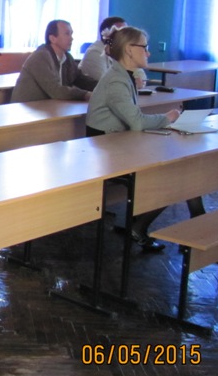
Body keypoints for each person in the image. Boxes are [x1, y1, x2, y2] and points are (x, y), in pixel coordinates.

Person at [85, 25, 204, 252]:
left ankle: (194, 225)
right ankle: (145, 227)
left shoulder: (124, 75)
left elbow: (133, 121)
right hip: (106, 153)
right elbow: (137, 123)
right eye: (145, 47)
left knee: (185, 170)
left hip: (119, 145)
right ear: (129, 50)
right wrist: (168, 117)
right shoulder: (116, 80)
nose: (148, 53)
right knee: (177, 175)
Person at [11, 19, 98, 103]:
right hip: (26, 108)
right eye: (67, 34)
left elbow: (80, 80)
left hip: (49, 107)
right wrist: (85, 95)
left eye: (71, 34)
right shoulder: (40, 57)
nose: (71, 38)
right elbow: (56, 90)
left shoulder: (67, 58)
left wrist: (101, 87)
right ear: (52, 38)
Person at [80, 16, 147, 89]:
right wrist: (133, 83)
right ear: (108, 35)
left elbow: (141, 77)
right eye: (122, 33)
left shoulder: (123, 50)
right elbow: (105, 83)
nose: (126, 36)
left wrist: (135, 83)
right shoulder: (95, 53)